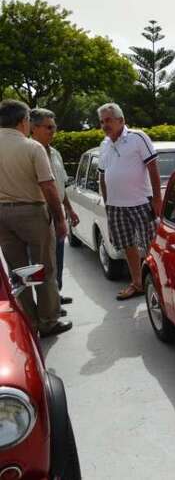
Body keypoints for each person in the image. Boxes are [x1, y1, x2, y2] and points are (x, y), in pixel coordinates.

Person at [0, 100, 71, 337]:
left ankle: (28, 321)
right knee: (44, 268)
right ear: (23, 121)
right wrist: (60, 219)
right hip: (31, 211)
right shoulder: (32, 147)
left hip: (2, 216)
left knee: (18, 270)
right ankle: (48, 321)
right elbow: (48, 186)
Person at [96, 103, 162, 300]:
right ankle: (138, 284)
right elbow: (102, 176)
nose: (104, 125)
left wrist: (157, 199)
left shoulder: (137, 137)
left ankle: (158, 285)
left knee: (151, 246)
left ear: (121, 120)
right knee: (128, 246)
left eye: (108, 120)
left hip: (141, 203)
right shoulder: (104, 144)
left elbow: (153, 168)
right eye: (101, 122)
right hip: (116, 207)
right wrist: (108, 205)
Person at [30, 108, 80, 307]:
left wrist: (69, 209)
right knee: (42, 261)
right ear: (33, 128)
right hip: (39, 214)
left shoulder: (56, 153)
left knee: (57, 257)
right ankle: (45, 304)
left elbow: (60, 185)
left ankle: (55, 296)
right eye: (48, 127)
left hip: (57, 212)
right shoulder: (29, 152)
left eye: (54, 127)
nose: (53, 131)